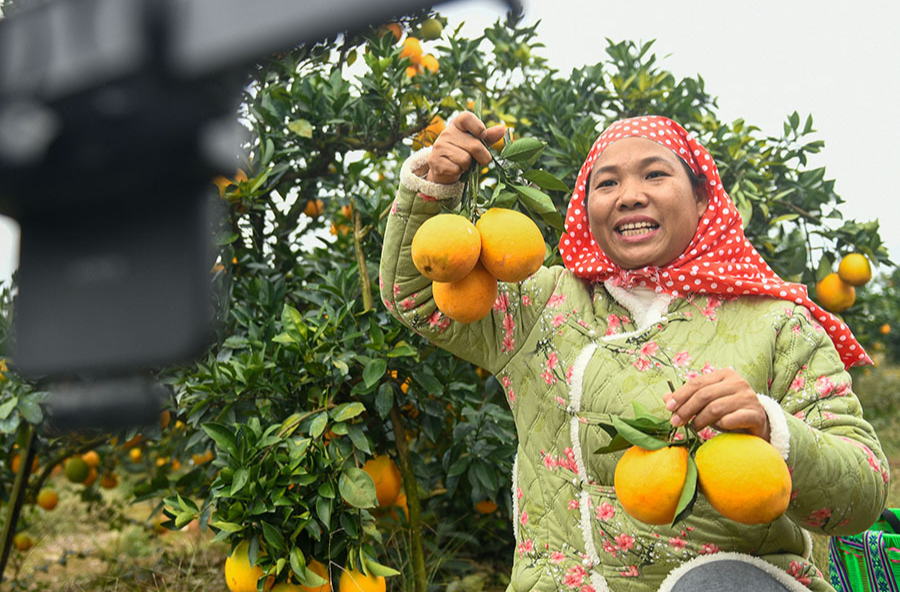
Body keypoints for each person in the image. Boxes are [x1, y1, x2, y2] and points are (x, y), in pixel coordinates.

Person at [379, 112, 888, 592]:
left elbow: (862, 495)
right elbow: (418, 296)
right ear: (586, 207)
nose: (629, 196)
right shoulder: (543, 302)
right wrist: (435, 188)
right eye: (607, 183)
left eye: (654, 175)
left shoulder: (776, 324)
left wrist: (771, 429)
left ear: (702, 198)